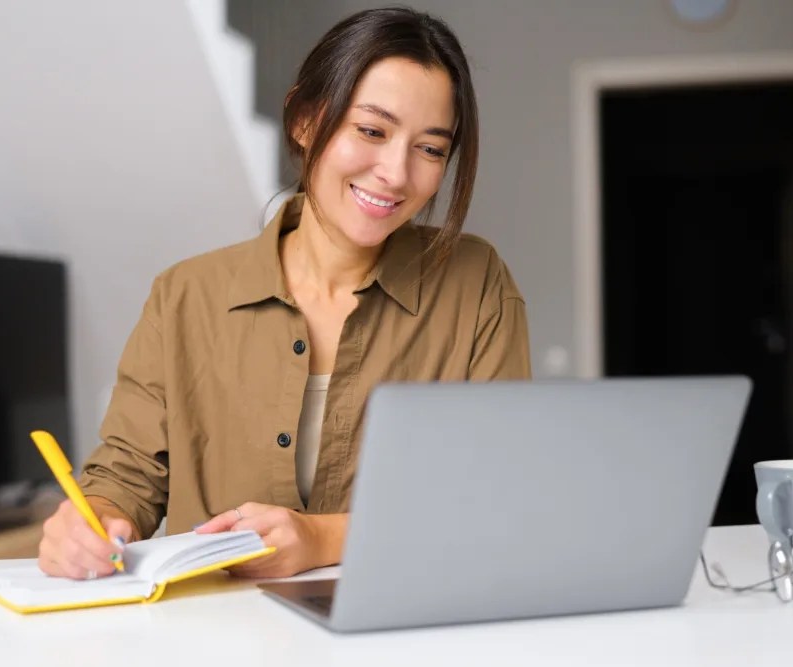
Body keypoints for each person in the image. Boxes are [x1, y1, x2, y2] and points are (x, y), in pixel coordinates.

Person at [37, 6, 531, 581]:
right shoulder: (184, 296)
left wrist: (321, 536)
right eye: (371, 131)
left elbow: (498, 490)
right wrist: (89, 524)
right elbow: (126, 480)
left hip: (408, 624)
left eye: (430, 149)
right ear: (304, 119)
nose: (396, 173)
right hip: (218, 633)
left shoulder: (477, 284)